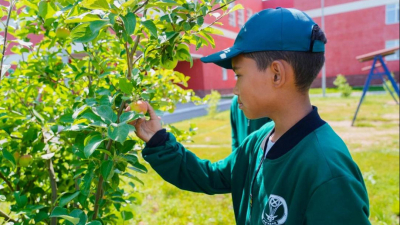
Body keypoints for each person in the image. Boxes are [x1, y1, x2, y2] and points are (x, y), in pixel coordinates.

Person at [129, 7, 371, 225]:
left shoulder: (327, 171)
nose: (235, 90)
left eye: (239, 75)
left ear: (276, 74)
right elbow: (211, 176)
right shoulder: (260, 140)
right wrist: (158, 140)